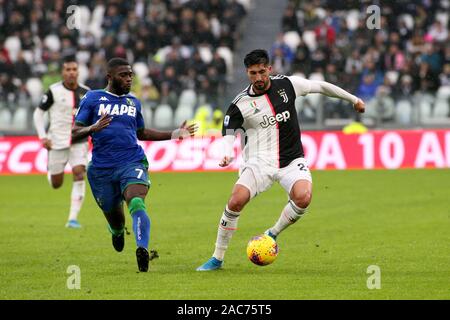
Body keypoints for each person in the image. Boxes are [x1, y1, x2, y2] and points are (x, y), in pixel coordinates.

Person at [197, 49, 365, 271]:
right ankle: (217, 258)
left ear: (269, 69)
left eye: (261, 72)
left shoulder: (288, 85)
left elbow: (321, 86)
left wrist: (353, 99)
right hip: (258, 162)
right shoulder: (240, 104)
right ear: (247, 73)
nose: (257, 78)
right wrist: (227, 151)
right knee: (236, 200)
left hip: (291, 160)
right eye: (252, 73)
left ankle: (271, 234)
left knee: (303, 197)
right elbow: (228, 132)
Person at [72, 58, 197, 272]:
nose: (129, 78)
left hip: (132, 160)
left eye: (130, 74)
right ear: (110, 77)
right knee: (116, 219)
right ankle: (117, 231)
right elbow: (74, 133)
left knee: (136, 201)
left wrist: (175, 134)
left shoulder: (133, 102)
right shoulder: (93, 98)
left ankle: (142, 249)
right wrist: (93, 127)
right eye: (123, 75)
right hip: (101, 169)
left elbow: (142, 133)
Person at [33, 57, 90, 229]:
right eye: (68, 69)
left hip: (79, 140)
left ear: (78, 72)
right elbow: (38, 114)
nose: (71, 72)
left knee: (79, 173)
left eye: (74, 69)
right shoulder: (53, 91)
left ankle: (72, 219)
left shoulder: (87, 92)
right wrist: (43, 136)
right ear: (63, 72)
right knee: (56, 184)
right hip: (57, 141)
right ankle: (51, 171)